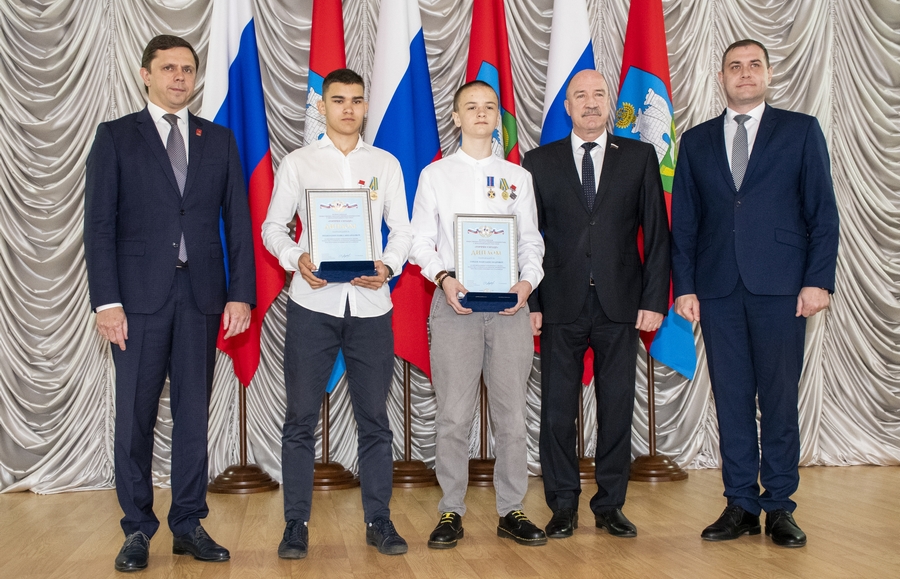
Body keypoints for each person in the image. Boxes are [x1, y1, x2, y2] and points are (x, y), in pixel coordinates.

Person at [84, 35, 255, 572]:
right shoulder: (115, 136)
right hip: (135, 301)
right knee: (134, 416)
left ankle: (187, 523)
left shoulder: (218, 139)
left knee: (192, 417)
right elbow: (99, 225)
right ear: (146, 74)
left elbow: (238, 224)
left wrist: (241, 293)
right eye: (168, 68)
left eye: (187, 69)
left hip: (201, 296)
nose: (179, 77)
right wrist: (106, 302)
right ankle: (137, 528)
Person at [671, 40, 839, 548]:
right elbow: (685, 223)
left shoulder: (800, 130)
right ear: (721, 77)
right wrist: (686, 287)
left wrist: (817, 280)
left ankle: (780, 505)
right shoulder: (696, 141)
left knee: (780, 399)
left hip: (783, 289)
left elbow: (822, 213)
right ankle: (741, 503)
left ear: (768, 74)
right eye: (735, 67)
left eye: (754, 66)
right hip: (718, 289)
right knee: (733, 399)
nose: (744, 74)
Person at [262, 68, 412, 559]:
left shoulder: (385, 163)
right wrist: (295, 258)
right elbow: (272, 228)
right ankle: (295, 524)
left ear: (366, 106)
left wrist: (389, 265)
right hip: (314, 304)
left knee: (375, 419)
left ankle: (379, 520)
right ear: (322, 106)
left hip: (371, 305)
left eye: (356, 100)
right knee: (300, 418)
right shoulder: (299, 162)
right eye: (338, 100)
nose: (348, 108)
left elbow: (403, 230)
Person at [523, 69, 670, 540]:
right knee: (556, 411)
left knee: (617, 408)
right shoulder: (537, 161)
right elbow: (528, 239)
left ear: (611, 103)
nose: (590, 103)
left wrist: (654, 299)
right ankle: (563, 504)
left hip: (621, 303)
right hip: (559, 302)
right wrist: (532, 301)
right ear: (566, 107)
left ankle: (610, 505)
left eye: (599, 94)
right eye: (580, 96)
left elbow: (657, 233)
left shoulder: (640, 157)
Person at [409, 80, 546, 549]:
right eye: (471, 106)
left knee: (512, 416)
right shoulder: (435, 175)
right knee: (453, 415)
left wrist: (527, 283)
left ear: (497, 117)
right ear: (456, 116)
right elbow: (419, 242)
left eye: (489, 106)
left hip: (510, 308)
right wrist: (444, 277)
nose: (481, 113)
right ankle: (451, 509)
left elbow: (531, 242)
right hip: (455, 306)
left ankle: (512, 510)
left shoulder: (518, 177)